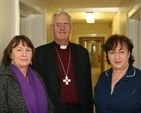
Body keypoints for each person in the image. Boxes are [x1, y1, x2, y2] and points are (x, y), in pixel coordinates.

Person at [34, 10, 93, 113]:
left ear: (71, 28)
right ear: (52, 28)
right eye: (58, 24)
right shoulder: (39, 53)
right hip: (51, 109)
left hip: (78, 108)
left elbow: (88, 86)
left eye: (66, 24)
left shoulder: (82, 52)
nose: (62, 28)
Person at [0, 35, 54, 113]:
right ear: (10, 54)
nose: (24, 54)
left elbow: (50, 106)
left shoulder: (38, 77)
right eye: (19, 50)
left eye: (28, 50)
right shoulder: (3, 78)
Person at [93, 34, 141, 113]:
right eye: (112, 52)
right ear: (107, 55)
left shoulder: (138, 78)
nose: (117, 57)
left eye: (121, 52)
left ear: (129, 53)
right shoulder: (103, 77)